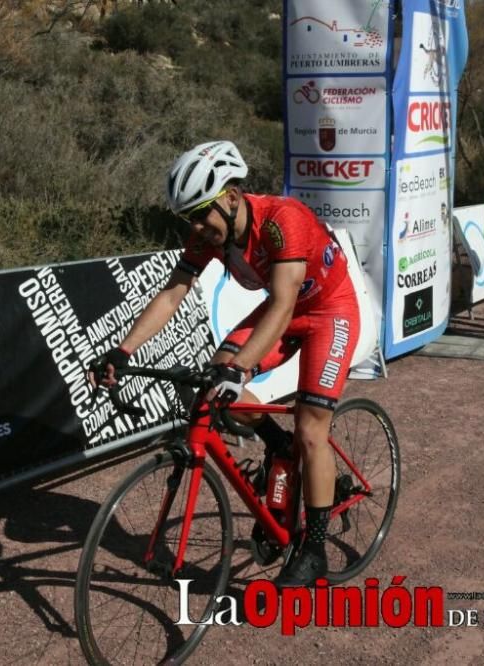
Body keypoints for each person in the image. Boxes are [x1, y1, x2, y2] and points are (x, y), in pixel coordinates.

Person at [89, 140, 361, 588]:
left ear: (232, 197)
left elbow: (283, 300)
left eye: (203, 212)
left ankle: (313, 547)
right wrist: (124, 350)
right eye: (188, 218)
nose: (197, 226)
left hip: (328, 310)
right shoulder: (206, 235)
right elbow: (174, 291)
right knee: (217, 386)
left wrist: (242, 367)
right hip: (283, 309)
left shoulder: (282, 221)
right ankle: (277, 444)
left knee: (312, 429)